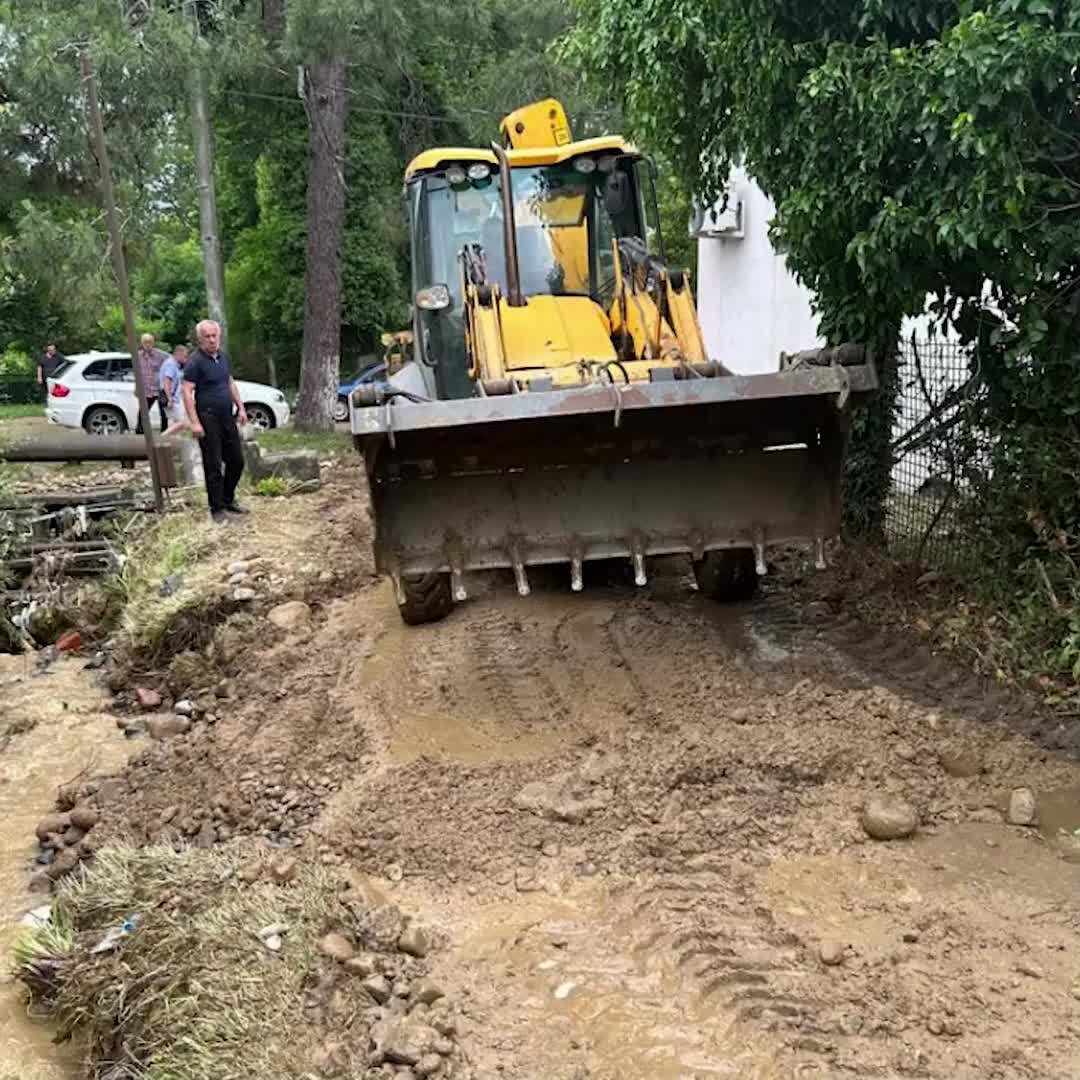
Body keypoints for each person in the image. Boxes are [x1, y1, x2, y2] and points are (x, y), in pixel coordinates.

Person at [182, 319, 248, 523]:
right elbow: (186, 391)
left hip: (227, 416)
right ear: (200, 339)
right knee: (213, 464)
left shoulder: (223, 357)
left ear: (219, 336)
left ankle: (228, 499)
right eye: (207, 337)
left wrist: (241, 407)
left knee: (236, 461)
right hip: (207, 418)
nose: (211, 340)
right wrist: (194, 422)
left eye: (214, 335)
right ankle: (217, 508)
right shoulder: (195, 362)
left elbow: (229, 382)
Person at [135, 333, 169, 432]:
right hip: (146, 389)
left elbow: (170, 365)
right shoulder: (138, 356)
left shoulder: (161, 355)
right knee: (143, 412)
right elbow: (136, 372)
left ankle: (164, 432)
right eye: (145, 342)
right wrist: (136, 387)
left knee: (163, 413)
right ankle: (140, 432)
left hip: (159, 388)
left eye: (149, 342)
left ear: (153, 343)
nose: (147, 344)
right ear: (142, 343)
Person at [159, 344, 189, 437]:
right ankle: (162, 437)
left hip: (173, 397)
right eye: (185, 356)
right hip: (171, 397)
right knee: (182, 422)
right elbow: (166, 381)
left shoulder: (174, 364)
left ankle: (172, 442)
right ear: (178, 354)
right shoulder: (171, 364)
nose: (186, 359)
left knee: (175, 423)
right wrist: (170, 398)